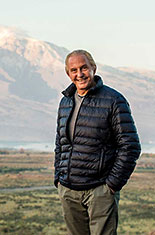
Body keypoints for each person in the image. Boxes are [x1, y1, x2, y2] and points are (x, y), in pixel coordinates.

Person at [54, 49, 141, 235]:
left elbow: (130, 146)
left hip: (99, 191)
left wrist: (111, 185)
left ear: (93, 68)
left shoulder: (113, 100)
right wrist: (58, 178)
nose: (80, 74)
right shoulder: (65, 102)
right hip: (69, 190)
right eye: (74, 70)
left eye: (84, 68)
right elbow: (60, 144)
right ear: (68, 73)